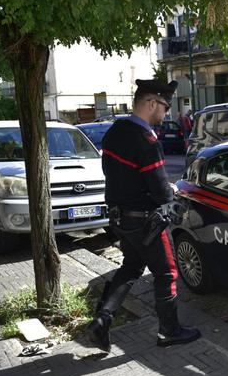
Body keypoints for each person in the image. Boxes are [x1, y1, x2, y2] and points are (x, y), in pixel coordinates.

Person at [86, 78, 200, 352]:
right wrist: (172, 193)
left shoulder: (115, 131)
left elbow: (114, 174)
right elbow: (161, 193)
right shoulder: (146, 140)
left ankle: (102, 320)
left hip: (120, 217)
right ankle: (169, 331)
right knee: (167, 272)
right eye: (164, 106)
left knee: (132, 266)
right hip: (146, 221)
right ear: (151, 103)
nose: (167, 113)